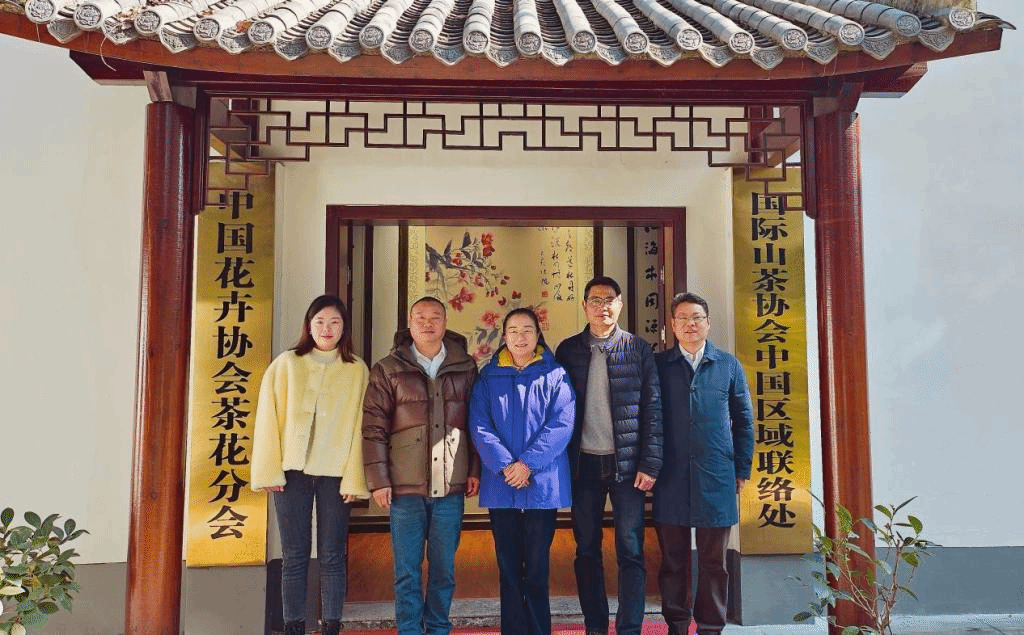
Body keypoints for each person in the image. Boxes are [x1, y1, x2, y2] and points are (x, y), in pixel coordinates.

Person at [250, 294, 370, 635]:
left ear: (344, 328)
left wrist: (355, 479)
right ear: (309, 325)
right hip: (291, 473)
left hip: (336, 475)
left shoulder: (357, 369)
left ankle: (332, 625)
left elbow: (363, 427)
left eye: (334, 322)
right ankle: (294, 626)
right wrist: (268, 470)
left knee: (332, 554)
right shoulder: (286, 364)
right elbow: (267, 419)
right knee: (294, 554)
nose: (326, 329)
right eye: (319, 322)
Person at [362, 296, 481, 635]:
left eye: (435, 317)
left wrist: (474, 470)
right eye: (420, 318)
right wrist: (379, 480)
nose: (428, 323)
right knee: (407, 571)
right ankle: (410, 630)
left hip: (450, 487)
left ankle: (439, 628)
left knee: (444, 570)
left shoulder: (465, 367)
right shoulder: (388, 369)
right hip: (404, 489)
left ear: (445, 323)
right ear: (410, 324)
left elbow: (477, 423)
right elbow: (373, 428)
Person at [554, 276, 663, 635]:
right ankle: (595, 626)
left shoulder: (638, 349)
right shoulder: (568, 350)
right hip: (582, 464)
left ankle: (629, 627)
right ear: (585, 305)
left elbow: (653, 409)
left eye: (609, 300)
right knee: (586, 550)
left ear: (620, 304)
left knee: (631, 549)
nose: (603, 307)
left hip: (627, 467)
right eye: (596, 300)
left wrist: (650, 462)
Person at [469, 308, 576, 635]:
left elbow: (562, 423)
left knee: (538, 568)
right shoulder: (488, 377)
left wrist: (527, 464)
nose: (520, 337)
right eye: (513, 330)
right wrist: (506, 465)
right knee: (509, 568)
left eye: (527, 330)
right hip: (502, 483)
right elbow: (479, 424)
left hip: (541, 483)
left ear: (537, 335)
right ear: (504, 336)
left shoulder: (555, 374)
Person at [653, 292, 754, 635]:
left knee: (714, 562)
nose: (690, 324)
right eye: (682, 318)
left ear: (708, 323)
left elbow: (744, 420)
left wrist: (741, 469)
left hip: (717, 475)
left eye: (696, 317)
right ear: (672, 325)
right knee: (674, 561)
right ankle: (677, 625)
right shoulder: (660, 365)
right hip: (670, 476)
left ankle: (711, 626)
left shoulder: (728, 365)